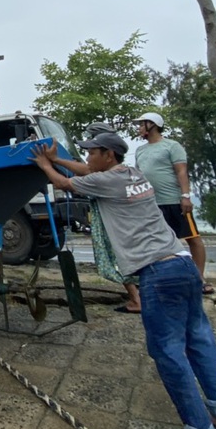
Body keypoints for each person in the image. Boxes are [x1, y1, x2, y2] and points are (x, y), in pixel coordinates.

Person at [30, 132, 216, 429]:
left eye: (92, 153)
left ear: (108, 156)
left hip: (157, 273)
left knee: (168, 351)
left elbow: (66, 185)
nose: (87, 159)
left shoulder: (107, 183)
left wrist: (46, 165)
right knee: (199, 340)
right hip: (184, 266)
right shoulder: (134, 175)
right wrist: (58, 159)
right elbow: (86, 173)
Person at [132, 112, 212, 294]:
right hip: (152, 203)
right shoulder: (140, 150)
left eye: (141, 124)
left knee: (192, 238)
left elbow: (181, 171)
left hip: (174, 201)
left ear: (152, 125)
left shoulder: (172, 146)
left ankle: (199, 278)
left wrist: (185, 196)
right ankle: (156, 278)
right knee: (153, 241)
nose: (139, 128)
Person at [80, 121, 141, 314]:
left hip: (113, 218)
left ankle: (136, 299)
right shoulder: (125, 170)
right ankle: (139, 296)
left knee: (118, 253)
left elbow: (81, 176)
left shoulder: (106, 171)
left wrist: (52, 162)